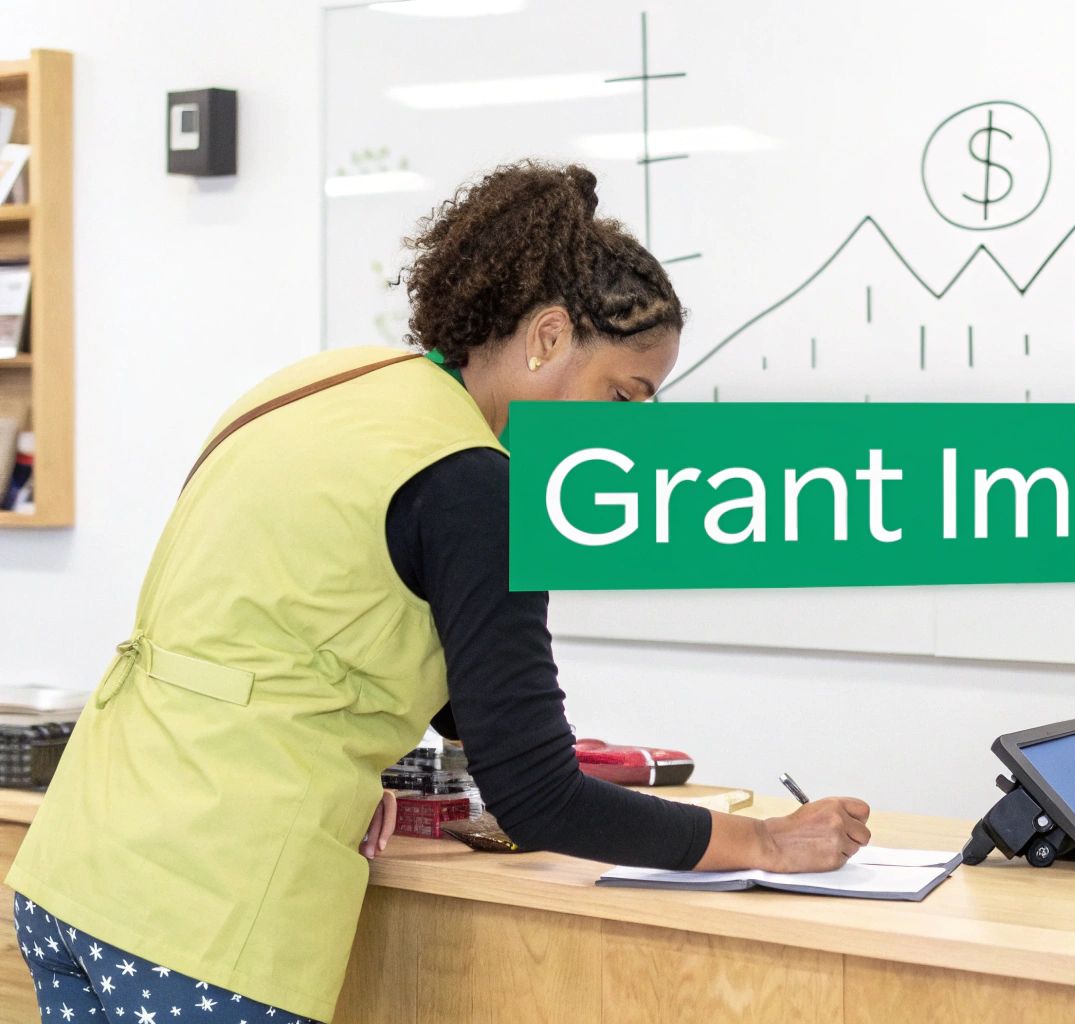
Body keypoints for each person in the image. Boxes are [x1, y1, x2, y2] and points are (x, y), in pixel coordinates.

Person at [6, 161, 872, 1024]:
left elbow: (294, 620)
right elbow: (534, 794)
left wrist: (350, 768)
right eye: (623, 394)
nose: (631, 433)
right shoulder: (473, 484)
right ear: (545, 337)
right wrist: (761, 842)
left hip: (82, 862)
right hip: (202, 911)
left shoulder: (331, 384)